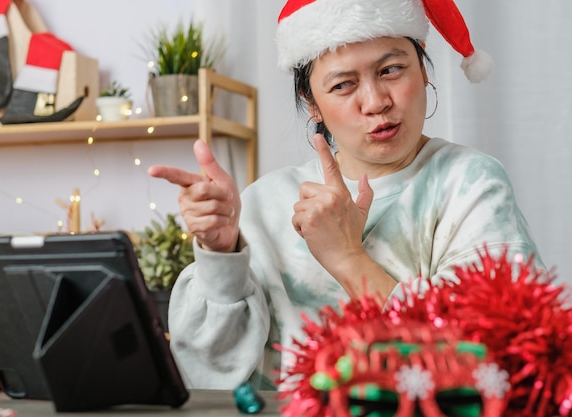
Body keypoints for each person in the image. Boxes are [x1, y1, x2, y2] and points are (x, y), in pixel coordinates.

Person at [148, 0, 544, 390]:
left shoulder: (470, 182)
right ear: (312, 104)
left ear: (423, 69)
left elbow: (500, 357)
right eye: (343, 85)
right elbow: (207, 373)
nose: (376, 102)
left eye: (391, 69)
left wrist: (347, 258)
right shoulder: (267, 202)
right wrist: (221, 257)